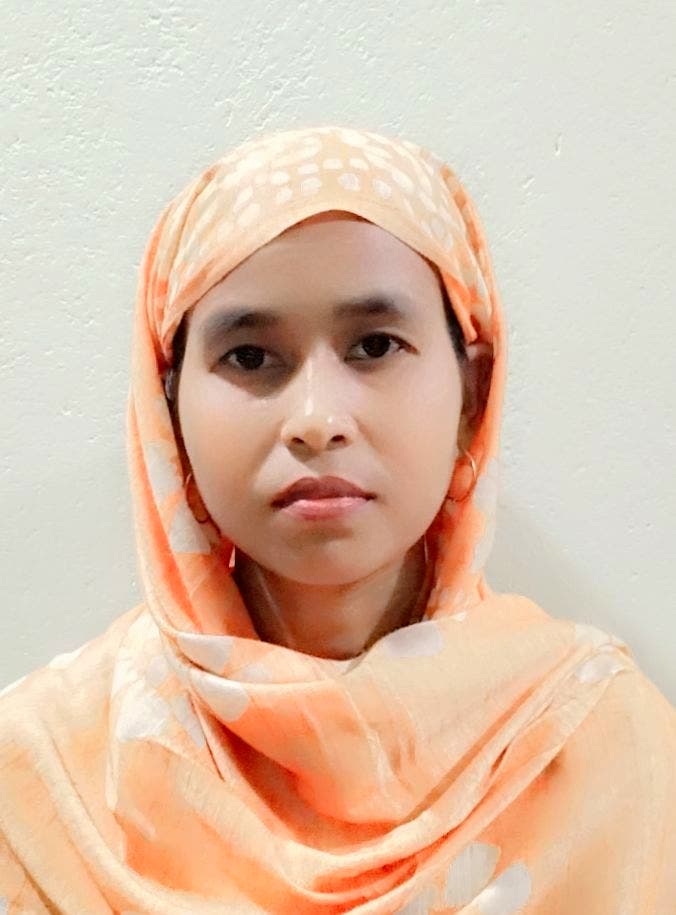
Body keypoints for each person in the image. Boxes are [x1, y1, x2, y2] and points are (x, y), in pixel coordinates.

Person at [1, 126, 674, 914]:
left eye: (375, 345)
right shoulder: (43, 771)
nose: (317, 420)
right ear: (169, 404)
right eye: (250, 356)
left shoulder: (598, 741)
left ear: (472, 389)